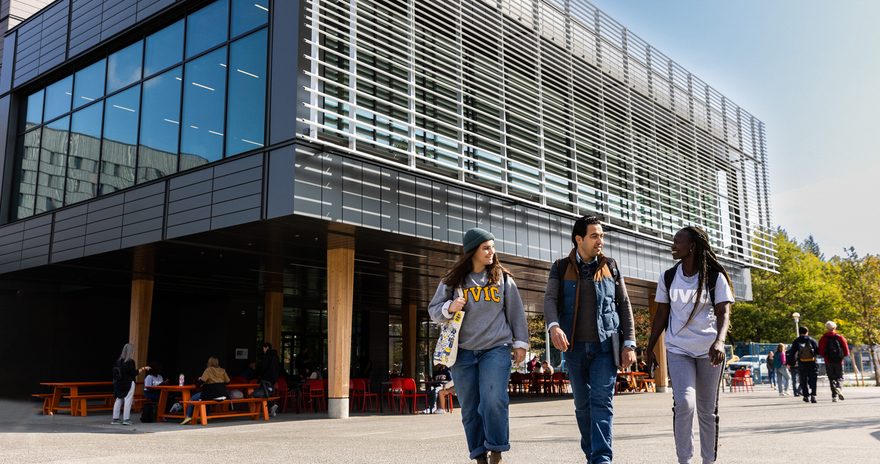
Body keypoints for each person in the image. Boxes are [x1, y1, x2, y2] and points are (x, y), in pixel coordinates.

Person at [427, 227, 529, 464]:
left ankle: (496, 449)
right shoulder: (453, 280)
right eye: (486, 247)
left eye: (492, 247)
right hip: (462, 353)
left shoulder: (503, 278)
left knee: (494, 398)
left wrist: (520, 343)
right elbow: (434, 310)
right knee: (470, 407)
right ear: (472, 251)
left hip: (496, 348)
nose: (491, 252)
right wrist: (449, 307)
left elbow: (516, 313)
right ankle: (478, 454)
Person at [543, 215, 636, 463]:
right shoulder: (561, 267)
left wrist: (629, 343)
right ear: (579, 239)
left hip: (605, 347)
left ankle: (602, 459)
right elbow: (550, 300)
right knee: (583, 407)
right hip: (573, 349)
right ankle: (592, 454)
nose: (600, 241)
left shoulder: (611, 266)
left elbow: (624, 305)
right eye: (595, 236)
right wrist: (553, 327)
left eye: (602, 236)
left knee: (601, 404)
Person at [646, 226, 734, 464]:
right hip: (678, 350)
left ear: (692, 246)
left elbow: (724, 312)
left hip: (710, 351)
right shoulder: (668, 277)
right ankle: (684, 460)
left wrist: (719, 341)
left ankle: (708, 461)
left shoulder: (715, 277)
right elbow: (661, 315)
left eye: (678, 241)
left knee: (707, 410)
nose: (673, 245)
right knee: (684, 403)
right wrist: (650, 346)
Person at [181, 356, 230, 425]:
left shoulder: (208, 370)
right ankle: (205, 416)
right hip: (222, 394)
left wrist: (199, 379)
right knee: (204, 399)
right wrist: (219, 380)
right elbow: (228, 381)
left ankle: (188, 416)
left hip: (211, 394)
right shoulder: (222, 370)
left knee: (192, 399)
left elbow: (200, 383)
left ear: (209, 362)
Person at [111, 343, 150, 425]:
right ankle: (126, 419)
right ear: (131, 351)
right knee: (128, 400)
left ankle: (115, 419)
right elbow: (134, 373)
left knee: (118, 399)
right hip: (128, 383)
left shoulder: (118, 361)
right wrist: (143, 368)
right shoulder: (130, 362)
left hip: (119, 384)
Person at [818, 321, 850, 402]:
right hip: (839, 360)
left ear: (827, 328)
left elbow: (821, 351)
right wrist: (844, 355)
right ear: (835, 328)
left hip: (828, 361)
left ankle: (834, 396)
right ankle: (839, 387)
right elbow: (846, 349)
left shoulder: (823, 338)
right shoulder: (840, 337)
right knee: (840, 377)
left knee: (831, 378)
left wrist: (825, 355)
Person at [788, 326, 819, 403]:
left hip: (802, 363)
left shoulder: (796, 341)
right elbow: (817, 351)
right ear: (807, 332)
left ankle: (805, 396)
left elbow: (792, 353)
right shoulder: (812, 340)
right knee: (813, 378)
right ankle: (813, 395)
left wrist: (789, 363)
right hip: (812, 362)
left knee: (803, 379)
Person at [260, 342, 282, 416]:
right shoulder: (276, 356)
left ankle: (271, 406)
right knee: (270, 392)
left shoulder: (267, 356)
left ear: (266, 348)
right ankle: (272, 407)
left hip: (266, 378)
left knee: (265, 393)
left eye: (263, 348)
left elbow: (264, 367)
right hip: (274, 378)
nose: (263, 350)